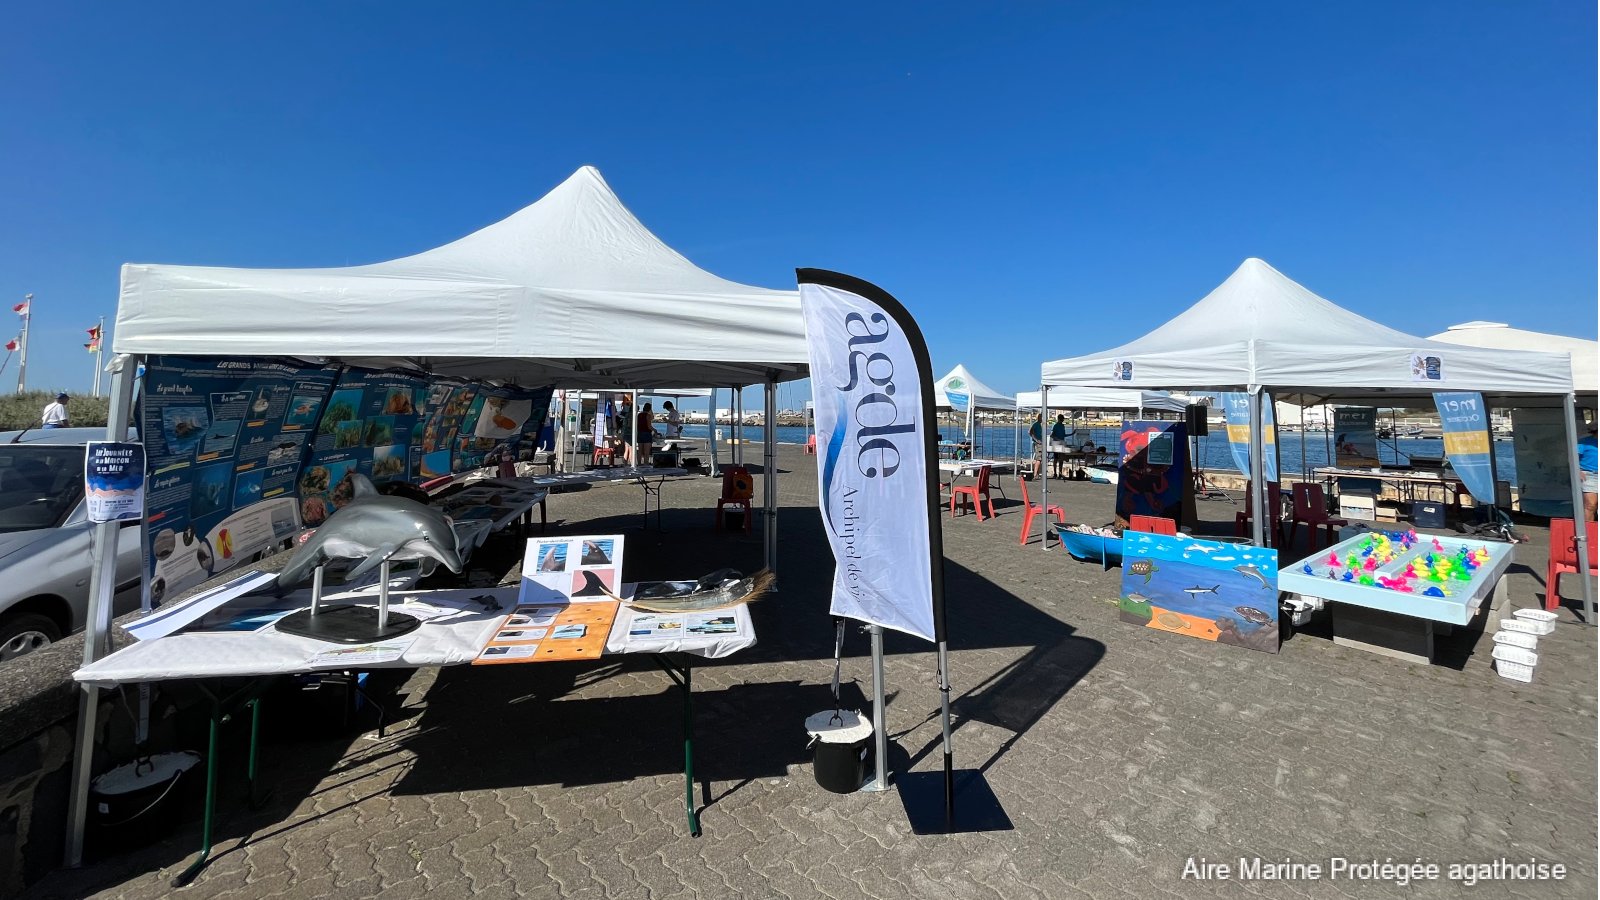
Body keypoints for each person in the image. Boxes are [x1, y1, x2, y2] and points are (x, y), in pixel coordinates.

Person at [1580, 421, 1598, 521]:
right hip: (1589, 475)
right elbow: (1572, 458)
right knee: (1590, 505)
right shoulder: (1584, 442)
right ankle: (1588, 531)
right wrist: (1577, 470)